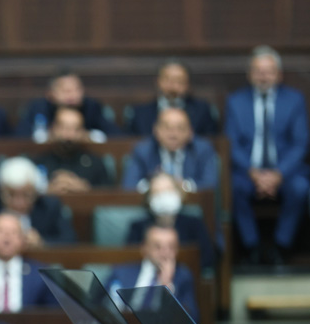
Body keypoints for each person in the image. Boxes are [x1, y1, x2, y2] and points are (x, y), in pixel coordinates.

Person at [225, 45, 309, 265]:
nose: (263, 76)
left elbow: (300, 143)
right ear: (249, 74)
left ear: (279, 74)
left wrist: (278, 174)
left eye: (268, 71)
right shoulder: (235, 101)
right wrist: (253, 173)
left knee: (300, 188)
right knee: (232, 188)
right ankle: (252, 247)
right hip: (246, 172)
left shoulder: (294, 100)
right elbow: (230, 143)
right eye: (258, 71)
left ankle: (281, 246)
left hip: (286, 172)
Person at [0, 157, 76, 245]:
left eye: (26, 195)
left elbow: (70, 240)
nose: (19, 202)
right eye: (11, 195)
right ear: (1, 191)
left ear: (36, 193)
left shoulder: (49, 206)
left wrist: (42, 242)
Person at [107, 224, 200, 323]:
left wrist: (168, 286)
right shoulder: (121, 272)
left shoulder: (183, 276)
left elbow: (192, 320)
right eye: (157, 247)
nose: (165, 253)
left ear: (177, 250)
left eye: (171, 247)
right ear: (144, 248)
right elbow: (100, 305)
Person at [125, 172, 217, 271]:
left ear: (179, 194)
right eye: (157, 193)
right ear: (149, 199)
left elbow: (208, 258)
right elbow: (129, 261)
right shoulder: (138, 228)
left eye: (168, 191)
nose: (164, 197)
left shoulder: (194, 224)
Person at [122, 107, 219, 192]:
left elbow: (210, 185)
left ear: (190, 132)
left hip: (191, 205)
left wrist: (183, 186)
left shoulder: (202, 150)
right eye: (167, 128)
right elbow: (129, 185)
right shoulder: (142, 151)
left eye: (180, 128)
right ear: (156, 130)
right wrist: (155, 186)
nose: (173, 135)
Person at [17, 69, 122, 142]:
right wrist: (49, 136)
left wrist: (88, 136)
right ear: (50, 94)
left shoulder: (92, 107)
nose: (72, 95)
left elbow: (117, 136)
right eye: (65, 91)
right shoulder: (38, 108)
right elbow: (18, 138)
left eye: (76, 90)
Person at [126, 60, 219, 137]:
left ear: (188, 85)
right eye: (168, 80)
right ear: (158, 82)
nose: (173, 86)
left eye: (179, 81)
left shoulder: (202, 112)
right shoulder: (139, 114)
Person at [32, 106, 112, 194]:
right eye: (63, 127)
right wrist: (47, 191)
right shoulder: (38, 163)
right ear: (53, 128)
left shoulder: (96, 164)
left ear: (83, 132)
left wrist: (86, 190)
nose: (69, 135)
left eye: (76, 129)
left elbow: (108, 196)